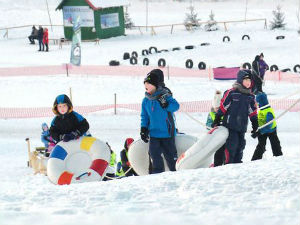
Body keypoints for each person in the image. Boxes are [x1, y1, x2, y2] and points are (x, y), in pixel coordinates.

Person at [212, 69, 258, 164]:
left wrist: (255, 125)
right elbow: (223, 107)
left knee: (241, 145)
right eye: (246, 80)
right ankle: (229, 164)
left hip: (242, 126)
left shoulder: (250, 96)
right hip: (230, 126)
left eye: (250, 80)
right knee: (232, 145)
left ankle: (237, 165)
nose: (248, 83)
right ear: (240, 80)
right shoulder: (231, 93)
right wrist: (217, 119)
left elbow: (252, 112)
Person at [140, 69, 180, 174]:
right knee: (154, 154)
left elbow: (176, 106)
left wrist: (166, 105)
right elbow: (144, 116)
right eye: (145, 84)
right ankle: (157, 174)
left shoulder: (165, 96)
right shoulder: (145, 100)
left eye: (148, 84)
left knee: (170, 156)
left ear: (155, 85)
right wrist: (143, 128)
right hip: (154, 134)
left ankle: (175, 172)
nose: (146, 86)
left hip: (167, 133)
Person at [251, 92, 283, 160]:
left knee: (275, 143)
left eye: (257, 102)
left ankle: (278, 157)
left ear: (261, 102)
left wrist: (259, 132)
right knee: (261, 145)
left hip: (271, 130)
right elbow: (260, 121)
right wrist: (256, 130)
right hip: (263, 131)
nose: (256, 103)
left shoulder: (268, 111)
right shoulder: (261, 110)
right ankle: (255, 159)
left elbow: (268, 125)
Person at [206, 90, 225, 167]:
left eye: (218, 107)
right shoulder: (211, 114)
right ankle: (217, 164)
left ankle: (225, 163)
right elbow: (208, 124)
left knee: (226, 150)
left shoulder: (225, 112)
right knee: (218, 150)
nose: (217, 109)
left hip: (225, 134)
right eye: (215, 108)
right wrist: (212, 126)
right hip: (216, 136)